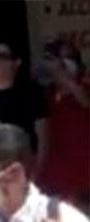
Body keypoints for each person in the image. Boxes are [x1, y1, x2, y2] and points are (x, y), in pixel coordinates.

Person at [37, 39, 90, 210]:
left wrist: (63, 76)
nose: (63, 63)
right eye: (58, 58)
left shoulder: (84, 88)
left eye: (68, 57)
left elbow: (85, 101)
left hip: (85, 181)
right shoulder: (46, 95)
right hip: (56, 181)